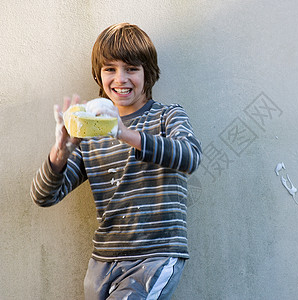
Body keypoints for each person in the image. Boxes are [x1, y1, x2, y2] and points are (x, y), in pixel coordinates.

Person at [30, 22, 202, 299]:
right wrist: (60, 153)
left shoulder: (167, 116)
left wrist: (123, 133)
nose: (120, 78)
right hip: (102, 262)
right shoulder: (90, 136)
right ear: (98, 77)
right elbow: (42, 197)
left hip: (154, 256)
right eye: (110, 69)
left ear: (149, 73)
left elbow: (190, 157)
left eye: (131, 68)